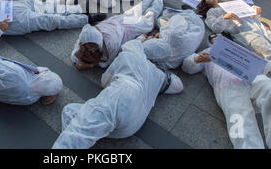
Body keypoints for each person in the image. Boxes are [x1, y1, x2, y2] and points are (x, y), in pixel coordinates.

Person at [52, 39, 183, 149]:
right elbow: (178, 86)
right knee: (72, 112)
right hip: (131, 127)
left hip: (123, 96)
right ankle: (94, 132)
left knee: (77, 126)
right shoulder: (159, 75)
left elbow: (105, 81)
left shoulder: (128, 56)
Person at [182, 34, 271, 149]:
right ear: (210, 42)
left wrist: (260, 58)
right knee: (241, 122)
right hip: (228, 86)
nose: (216, 39)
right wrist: (196, 59)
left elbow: (264, 69)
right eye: (213, 39)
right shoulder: (207, 53)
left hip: (253, 80)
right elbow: (187, 67)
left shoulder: (241, 51)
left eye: (219, 38)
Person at [71, 0, 163, 70]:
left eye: (92, 46)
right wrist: (79, 52)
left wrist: (88, 65)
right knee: (137, 10)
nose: (91, 49)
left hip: (128, 29)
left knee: (148, 21)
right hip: (118, 20)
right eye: (88, 46)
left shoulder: (110, 43)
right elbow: (74, 55)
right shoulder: (86, 36)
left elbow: (105, 63)